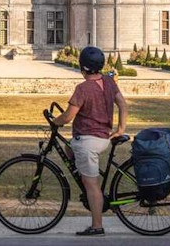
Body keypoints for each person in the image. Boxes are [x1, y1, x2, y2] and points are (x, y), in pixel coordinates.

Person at [50, 46, 128, 237]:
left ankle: (97, 226)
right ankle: (92, 190)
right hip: (103, 138)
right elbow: (123, 104)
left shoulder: (83, 88)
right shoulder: (109, 82)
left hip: (88, 142)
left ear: (82, 67)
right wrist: (120, 129)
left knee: (91, 184)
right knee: (70, 149)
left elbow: (68, 117)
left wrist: (54, 121)